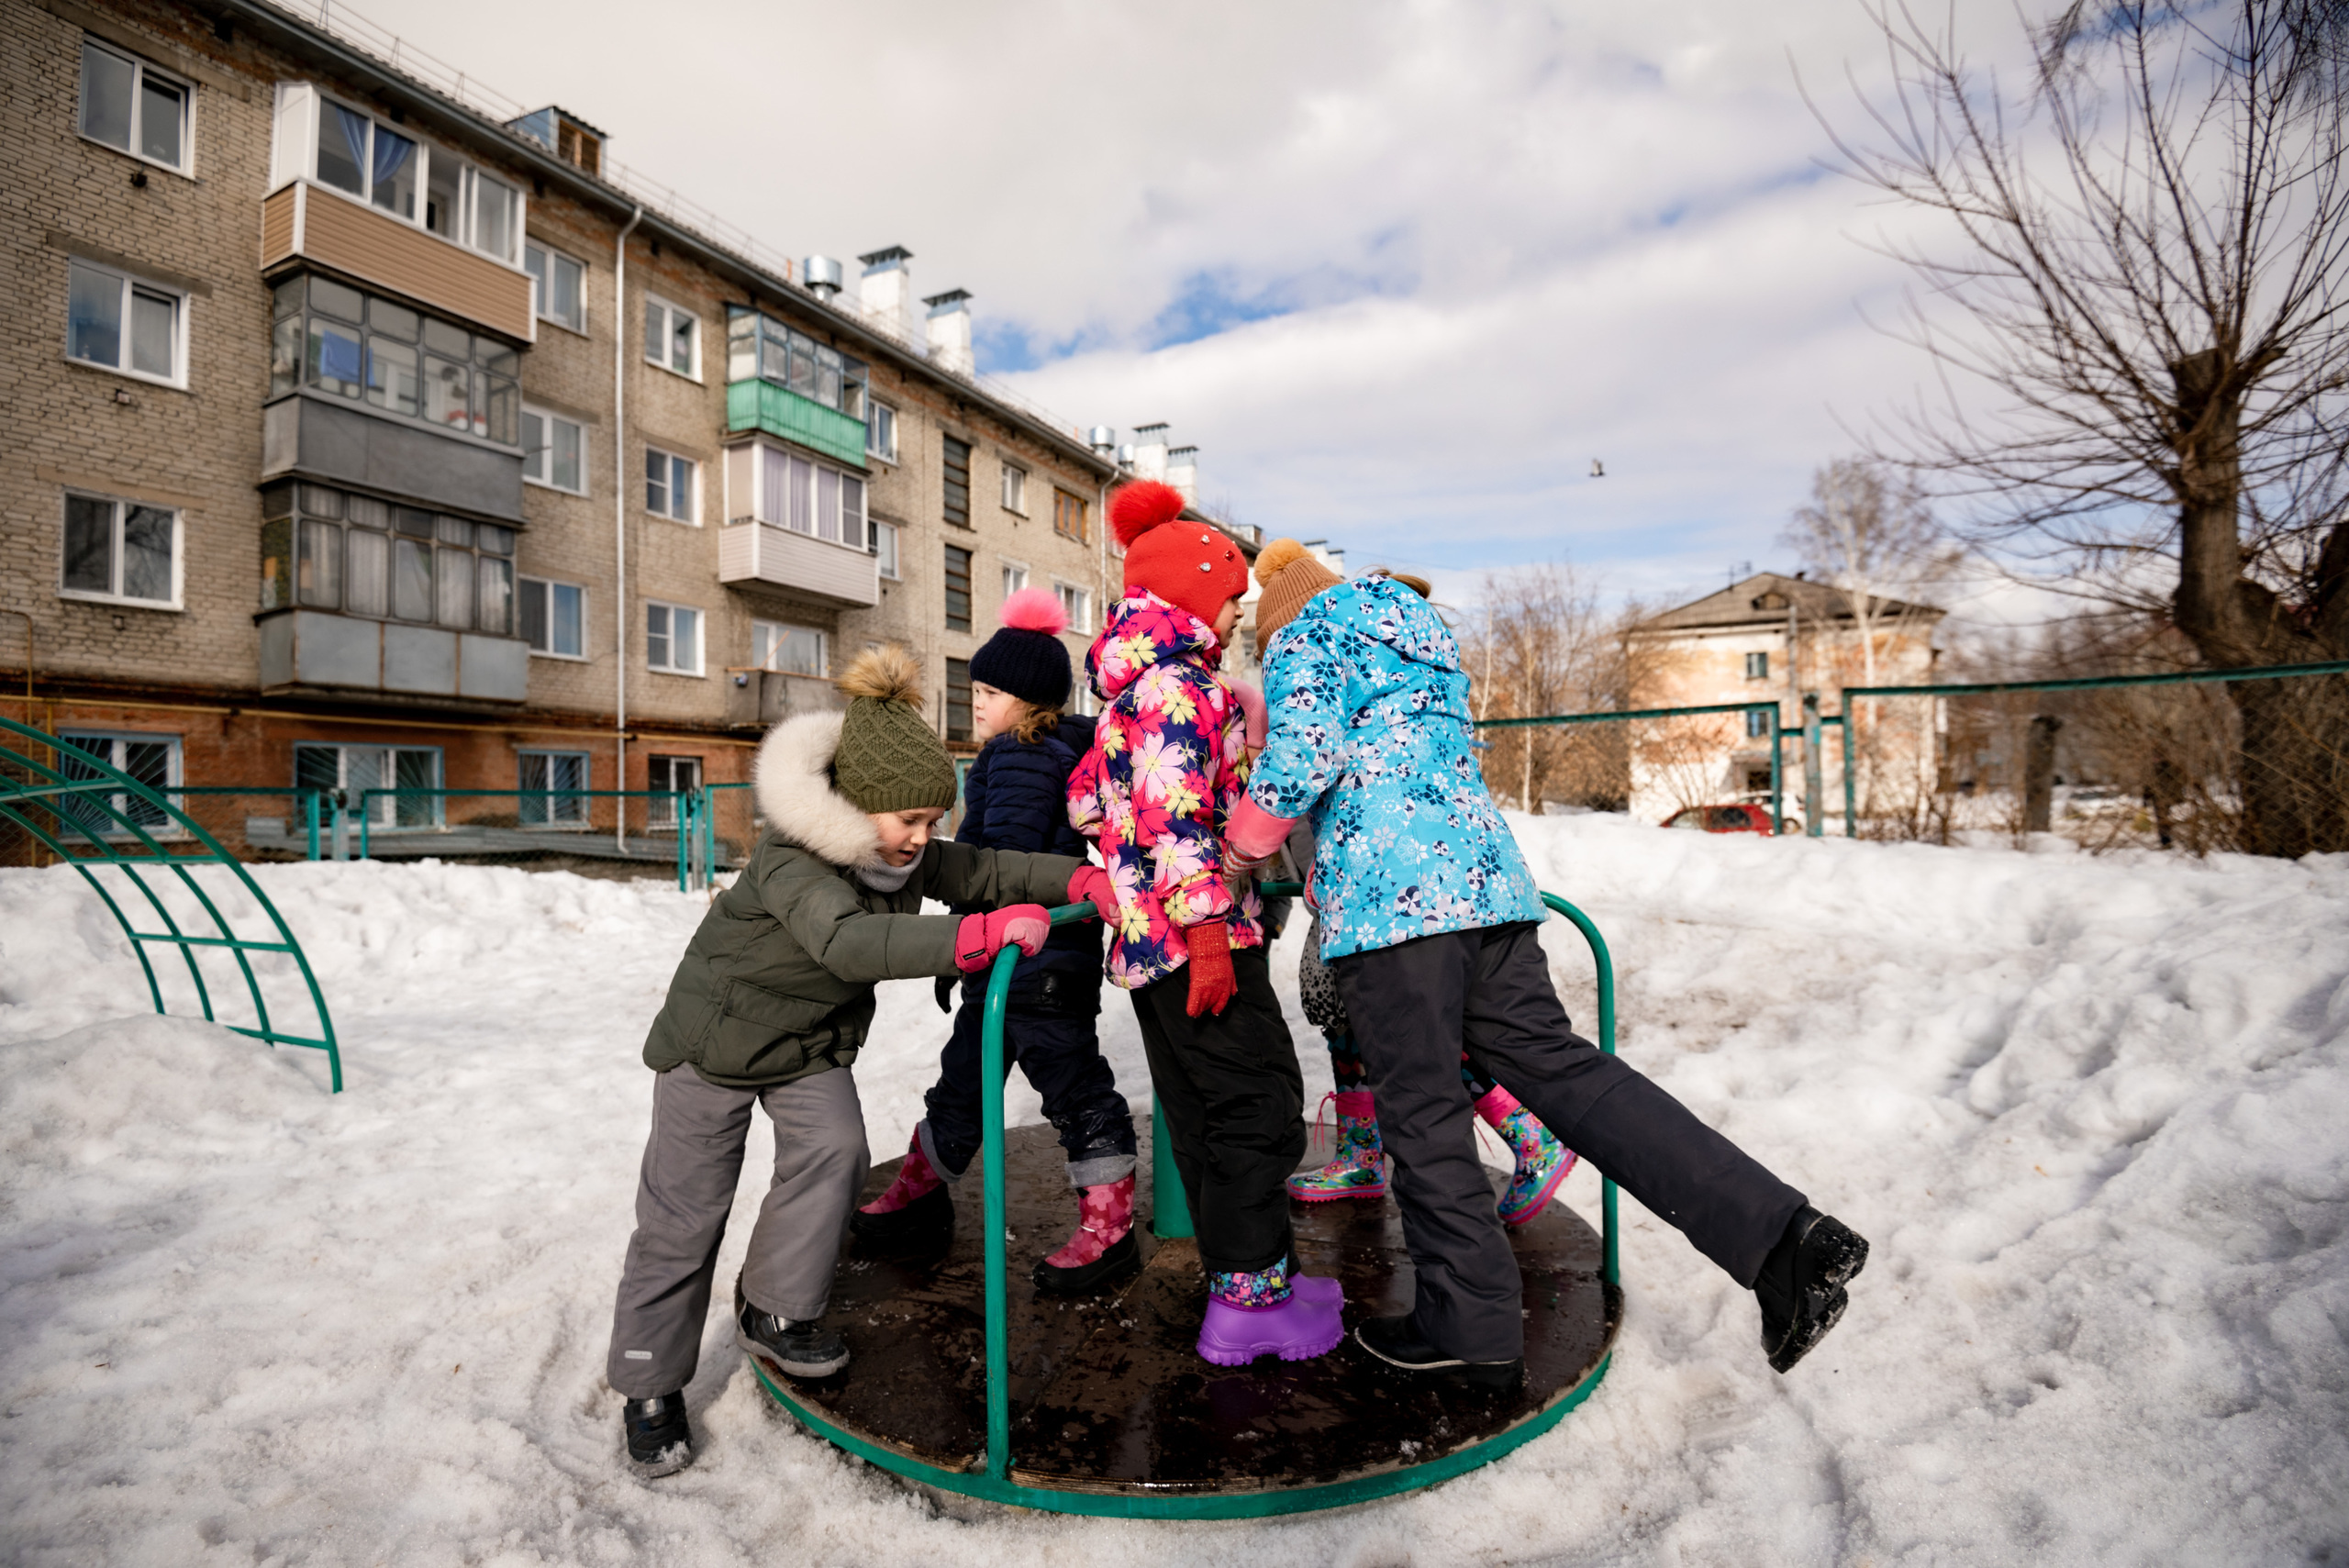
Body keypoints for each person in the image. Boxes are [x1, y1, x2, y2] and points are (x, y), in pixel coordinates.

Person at [1227, 541, 1868, 1387]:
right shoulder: (1415, 635)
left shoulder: (1306, 636)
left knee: (1421, 1115)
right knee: (1569, 1073)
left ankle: (1471, 1324)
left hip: (1395, 904)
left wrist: (1242, 847)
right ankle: (1785, 1237)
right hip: (1488, 888)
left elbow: (1299, 758)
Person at [606, 647, 1097, 1477]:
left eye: (932, 821)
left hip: (807, 1047)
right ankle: (650, 1382)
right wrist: (974, 938)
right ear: (857, 805)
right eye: (908, 820)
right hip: (712, 1046)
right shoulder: (794, 858)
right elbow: (848, 941)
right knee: (683, 1214)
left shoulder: (897, 845)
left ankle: (777, 1308)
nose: (922, 839)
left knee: (835, 1151)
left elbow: (984, 867)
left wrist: (1081, 877)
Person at [1066, 480, 1344, 1368]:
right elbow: (1177, 817)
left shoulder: (1129, 689)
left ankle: (1253, 1270)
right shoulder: (1180, 690)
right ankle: (1249, 1299)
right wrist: (1208, 931)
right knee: (1256, 1105)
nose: (1234, 612)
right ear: (1188, 591)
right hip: (1198, 941)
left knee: (1202, 1112)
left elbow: (1086, 799)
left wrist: (1131, 853)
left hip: (1150, 947)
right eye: (1227, 594)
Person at [852, 589, 1141, 1295]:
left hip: (1031, 959)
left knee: (1072, 1090)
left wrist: (971, 936)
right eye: (974, 687)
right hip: (1014, 956)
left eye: (989, 690)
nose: (976, 702)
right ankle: (923, 1192)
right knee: (965, 1080)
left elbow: (998, 859)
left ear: (1028, 699)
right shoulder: (1047, 748)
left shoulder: (1020, 755)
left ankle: (1111, 1226)